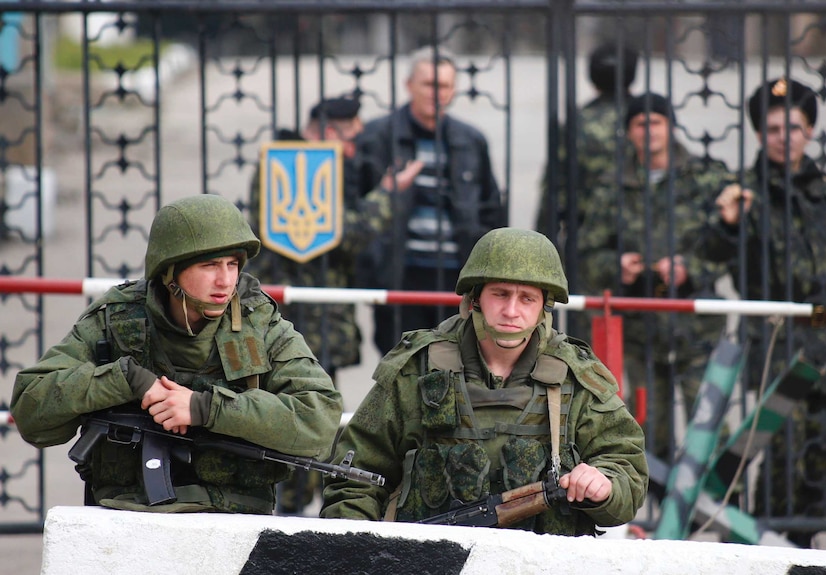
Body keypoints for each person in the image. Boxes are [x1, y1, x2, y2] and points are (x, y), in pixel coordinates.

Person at [11, 194, 343, 514]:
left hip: (234, 520)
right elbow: (31, 407)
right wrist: (125, 379)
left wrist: (206, 408)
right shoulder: (117, 319)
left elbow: (321, 420)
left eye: (232, 264)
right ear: (170, 271)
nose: (225, 280)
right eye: (210, 265)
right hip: (124, 515)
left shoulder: (261, 326)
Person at [320, 228, 648, 535]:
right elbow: (356, 475)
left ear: (544, 306)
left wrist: (603, 485)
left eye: (526, 299)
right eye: (500, 294)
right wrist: (354, 545)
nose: (511, 310)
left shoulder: (575, 377)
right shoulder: (418, 368)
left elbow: (627, 470)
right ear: (475, 297)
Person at [700, 78, 826, 548]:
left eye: (793, 126)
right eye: (772, 128)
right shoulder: (746, 192)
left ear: (809, 130)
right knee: (781, 463)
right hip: (782, 346)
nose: (782, 135)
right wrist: (728, 224)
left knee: (823, 466)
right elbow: (712, 253)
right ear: (759, 134)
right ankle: (761, 549)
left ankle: (802, 547)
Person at [246, 96, 406, 514]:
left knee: (312, 412)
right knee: (304, 412)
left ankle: (303, 500)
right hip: (303, 317)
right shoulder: (300, 162)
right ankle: (294, 504)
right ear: (328, 130)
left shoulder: (301, 163)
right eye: (351, 136)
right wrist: (387, 196)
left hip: (315, 314)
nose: (354, 148)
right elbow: (339, 233)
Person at [577, 92, 732, 461]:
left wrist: (691, 269)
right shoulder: (611, 185)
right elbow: (587, 253)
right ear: (629, 132)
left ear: (671, 126)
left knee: (711, 431)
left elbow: (732, 246)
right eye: (640, 124)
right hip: (640, 334)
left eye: (656, 122)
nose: (649, 132)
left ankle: (716, 509)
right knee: (647, 434)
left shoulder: (707, 177)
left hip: (697, 330)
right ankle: (660, 512)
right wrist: (618, 266)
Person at [353, 45, 505, 357]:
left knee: (459, 366)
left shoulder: (470, 140)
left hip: (456, 277)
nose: (438, 93)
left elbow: (491, 210)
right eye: (429, 84)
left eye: (446, 86)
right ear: (409, 85)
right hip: (398, 275)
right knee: (401, 366)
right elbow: (355, 209)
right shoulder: (376, 137)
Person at [536, 41, 639, 237]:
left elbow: (554, 186)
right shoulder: (648, 119)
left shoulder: (578, 122)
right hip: (640, 228)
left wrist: (541, 240)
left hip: (587, 232)